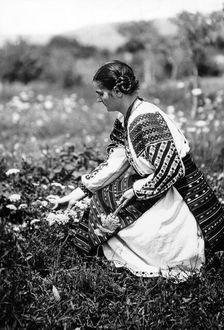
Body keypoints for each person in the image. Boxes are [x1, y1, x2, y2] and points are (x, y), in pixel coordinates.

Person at [48, 60, 224, 279]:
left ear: (118, 91)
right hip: (157, 184)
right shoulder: (126, 117)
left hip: (180, 192)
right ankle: (109, 246)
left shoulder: (147, 119)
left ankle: (165, 251)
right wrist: (79, 192)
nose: (98, 98)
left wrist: (137, 191)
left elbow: (172, 170)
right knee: (105, 197)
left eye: (101, 93)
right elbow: (115, 163)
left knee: (116, 203)